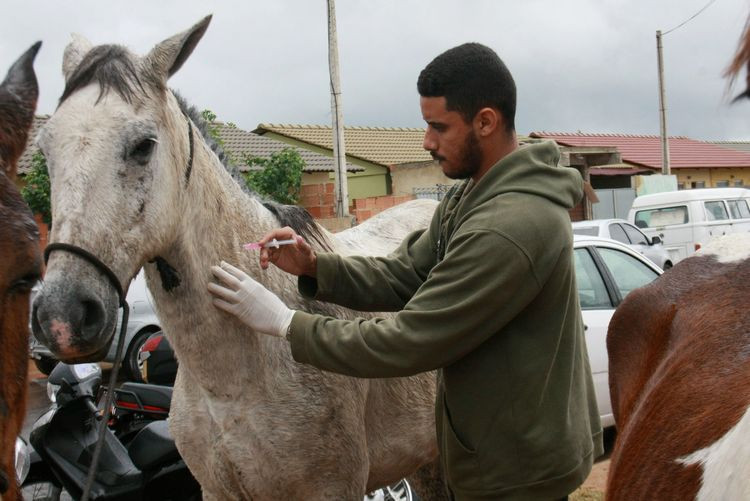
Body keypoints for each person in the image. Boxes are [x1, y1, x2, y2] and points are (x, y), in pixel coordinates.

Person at [208, 42, 603, 500]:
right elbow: (405, 276)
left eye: (439, 127)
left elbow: (411, 340)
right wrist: (316, 266)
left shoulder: (510, 227)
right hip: (491, 452)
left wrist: (285, 323)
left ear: (486, 122)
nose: (427, 142)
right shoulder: (471, 198)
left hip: (518, 472)